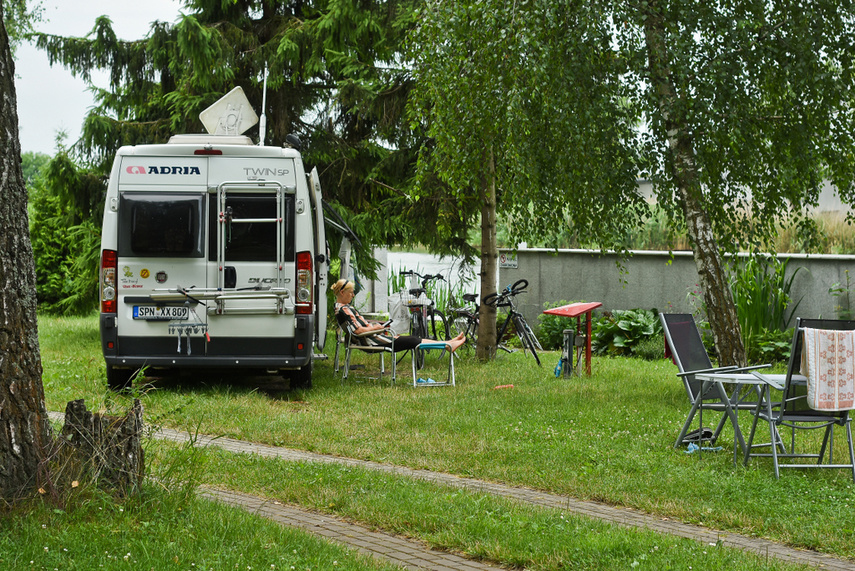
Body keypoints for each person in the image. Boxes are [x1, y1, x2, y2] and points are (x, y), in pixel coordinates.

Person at [331, 278, 466, 352]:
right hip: (372, 341)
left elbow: (359, 326)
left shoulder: (343, 308)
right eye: (351, 293)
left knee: (412, 339)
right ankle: (447, 345)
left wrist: (377, 325)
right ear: (342, 293)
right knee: (413, 341)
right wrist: (376, 328)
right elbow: (359, 330)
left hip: (373, 337)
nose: (353, 295)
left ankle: (447, 343)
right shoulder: (345, 310)